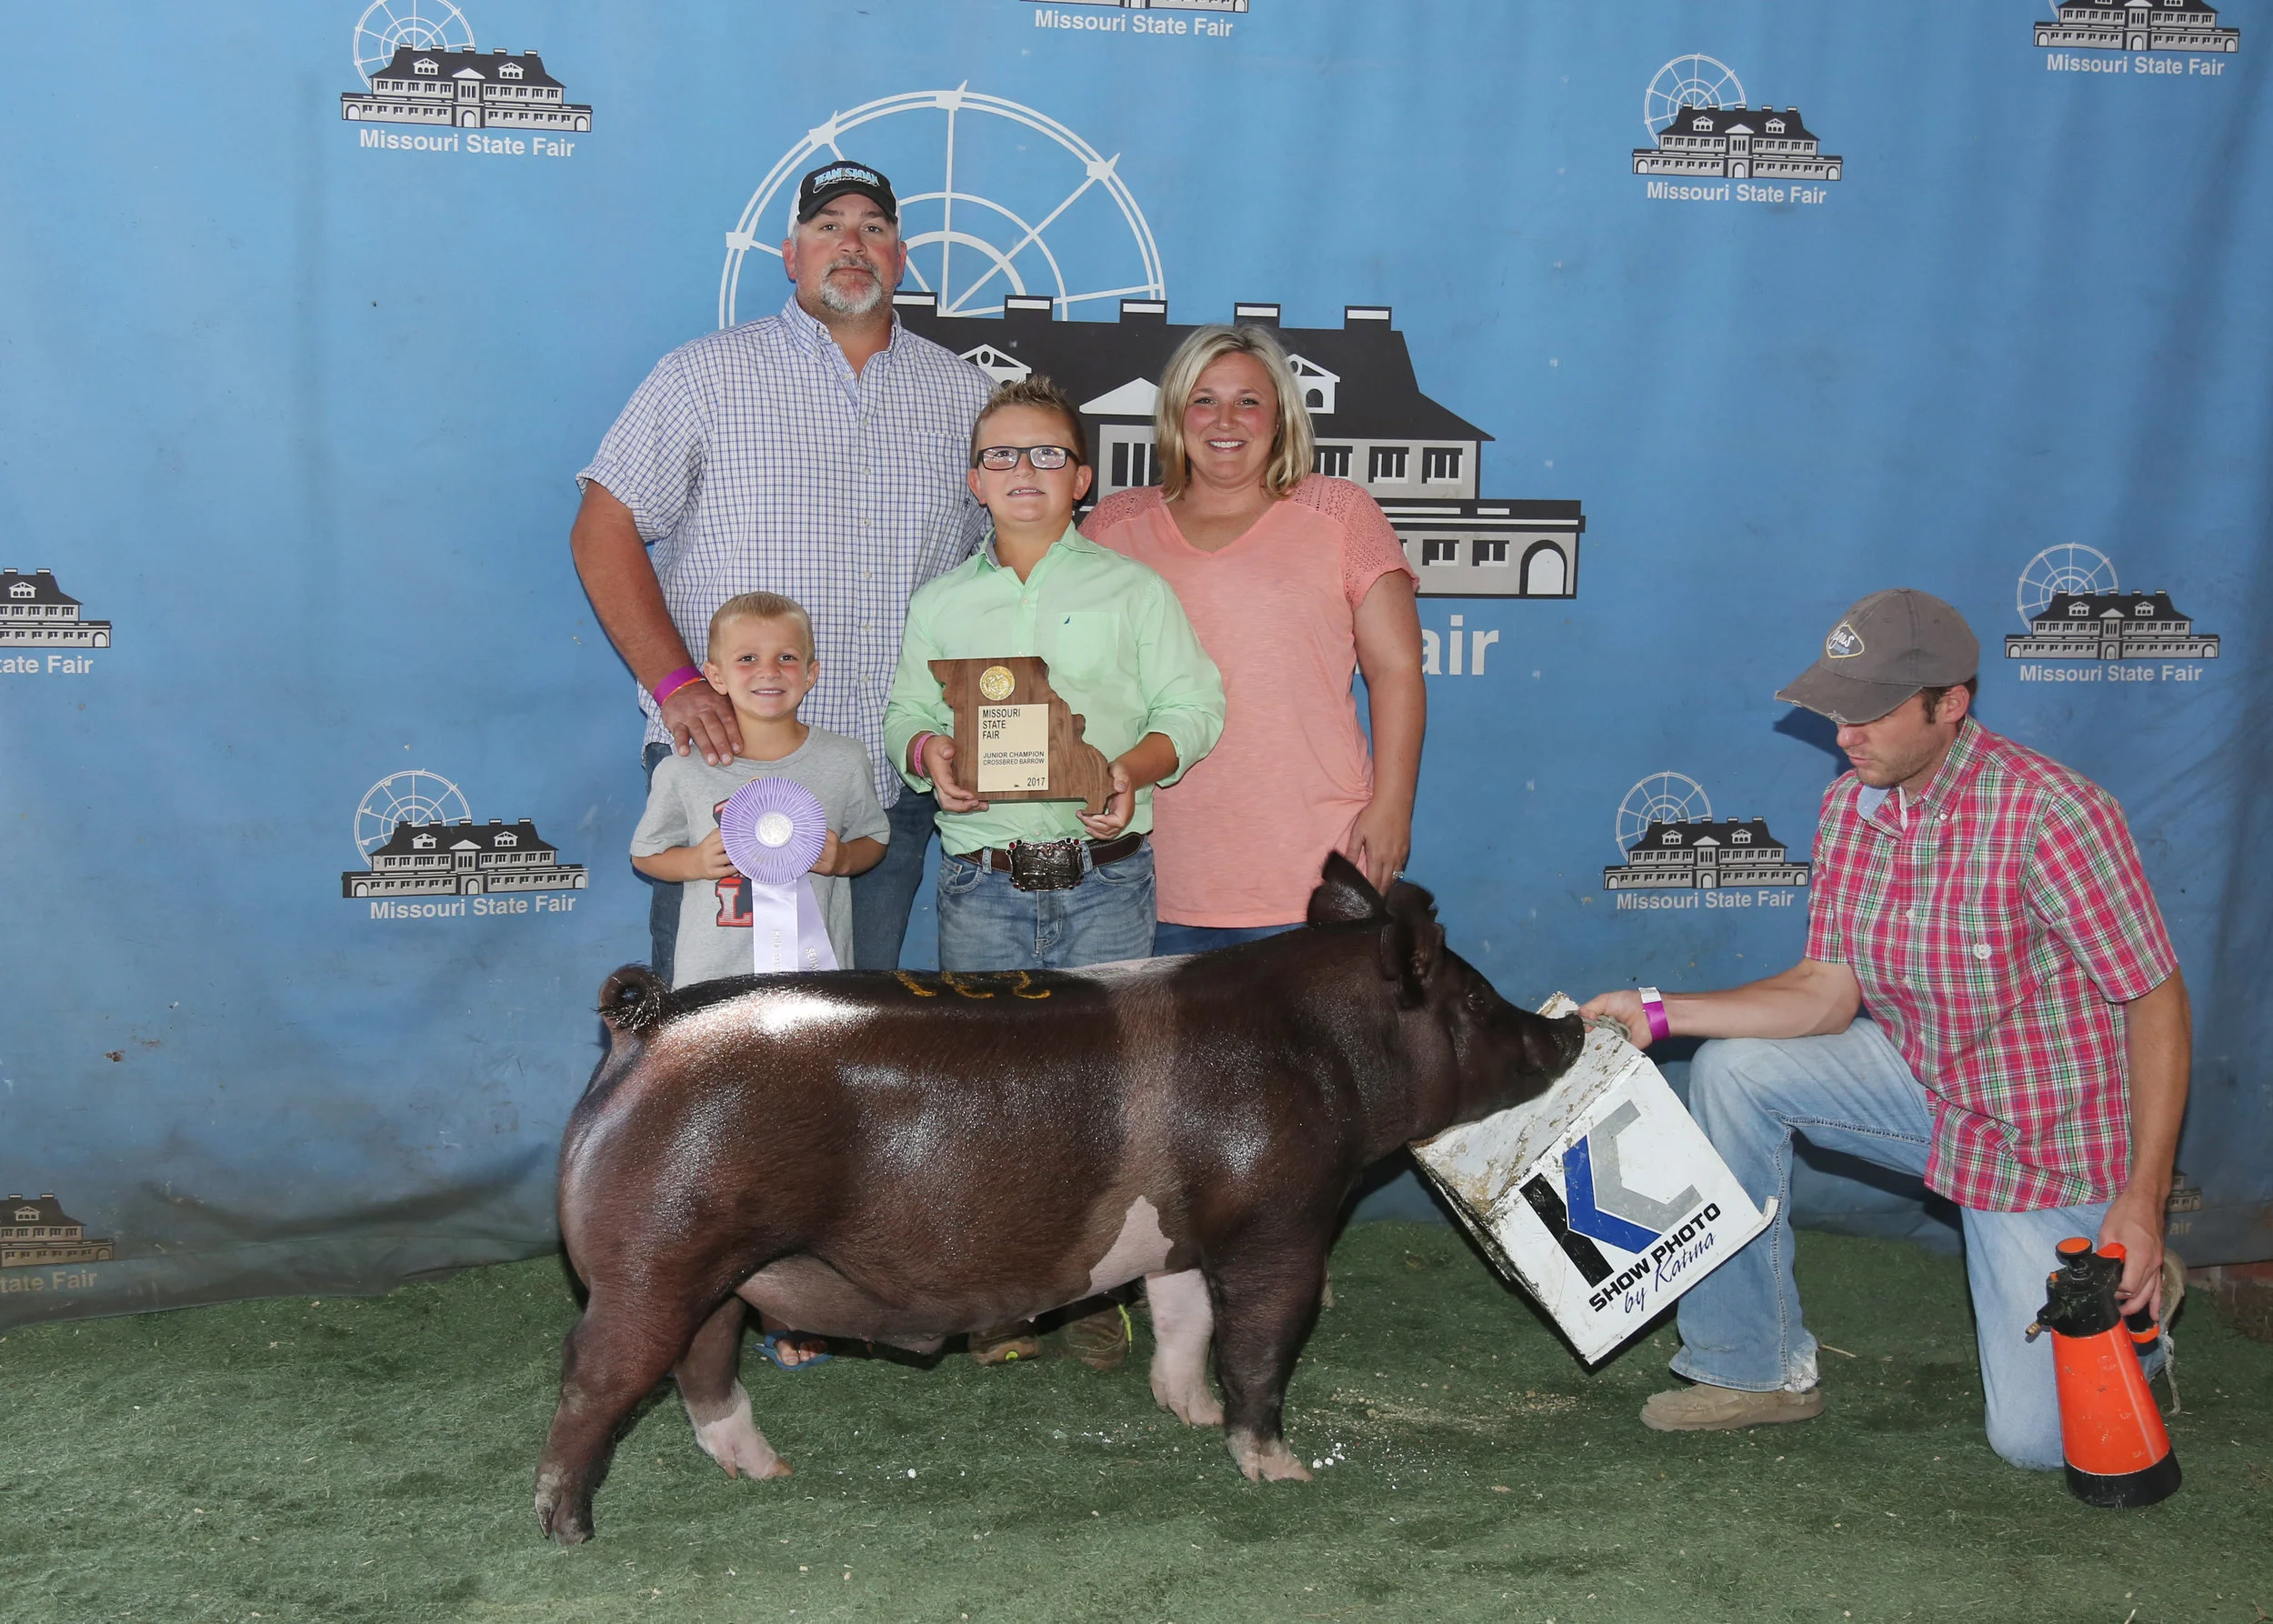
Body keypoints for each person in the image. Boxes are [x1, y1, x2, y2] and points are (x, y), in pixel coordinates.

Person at [1579, 588, 2189, 1472]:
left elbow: (2155, 1000)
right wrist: (1660, 1010)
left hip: (2042, 1143)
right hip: (1924, 1082)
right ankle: (1751, 1366)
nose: (1844, 735)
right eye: (1838, 708)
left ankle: (2134, 1309)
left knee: (2034, 1443)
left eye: (1869, 711)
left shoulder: (2053, 813)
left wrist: (2142, 1199)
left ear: (1950, 704)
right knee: (1734, 1069)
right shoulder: (1852, 807)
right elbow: (1826, 994)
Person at [573, 160, 991, 983]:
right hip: (726, 771)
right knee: (706, 1041)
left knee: (853, 1042)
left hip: (877, 782)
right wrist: (676, 684)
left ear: (901, 261)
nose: (852, 243)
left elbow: (997, 574)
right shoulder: (702, 375)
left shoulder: (967, 396)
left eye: (874, 228)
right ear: (790, 256)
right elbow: (604, 526)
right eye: (827, 225)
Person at [882, 375, 1224, 1368]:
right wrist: (928, 759)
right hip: (984, 879)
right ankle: (1000, 1293)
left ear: (1082, 478)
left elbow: (1194, 708)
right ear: (972, 483)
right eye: (1000, 456)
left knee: (1105, 1094)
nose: (1022, 471)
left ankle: (1089, 1290)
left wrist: (1129, 766)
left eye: (1044, 454)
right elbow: (907, 715)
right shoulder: (941, 603)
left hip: (1104, 876)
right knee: (988, 1088)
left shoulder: (1132, 591)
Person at [1080, 323, 1425, 954]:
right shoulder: (1112, 527)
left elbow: (1397, 670)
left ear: (1281, 416)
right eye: (1203, 399)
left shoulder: (1343, 513)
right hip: (1144, 876)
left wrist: (1394, 805)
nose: (1225, 420)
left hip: (1315, 867)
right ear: (1175, 415)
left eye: (1248, 400)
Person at [629, 591, 887, 1370]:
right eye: (746, 658)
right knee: (717, 1157)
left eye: (784, 659)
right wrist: (693, 863)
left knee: (802, 1154)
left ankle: (795, 1310)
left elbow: (874, 837)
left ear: (812, 673)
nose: (766, 672)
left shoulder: (841, 761)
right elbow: (648, 854)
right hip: (714, 998)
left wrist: (842, 858)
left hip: (811, 999)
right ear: (713, 674)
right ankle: (708, 1305)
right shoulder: (684, 770)